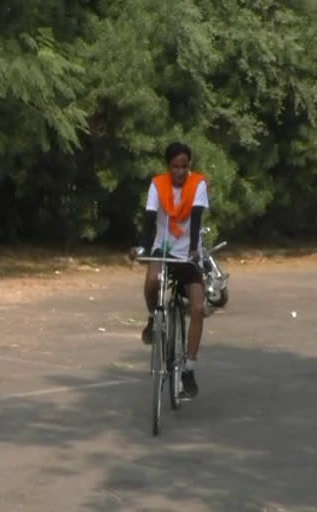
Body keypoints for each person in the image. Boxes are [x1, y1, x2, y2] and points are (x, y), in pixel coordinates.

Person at [129, 142, 209, 399]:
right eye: (175, 166)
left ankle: (189, 369)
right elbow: (150, 219)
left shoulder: (198, 185)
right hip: (163, 249)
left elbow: (195, 219)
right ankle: (154, 318)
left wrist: (195, 249)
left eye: (184, 166)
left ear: (189, 166)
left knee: (197, 308)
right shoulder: (157, 184)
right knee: (152, 281)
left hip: (188, 252)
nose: (180, 171)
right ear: (168, 166)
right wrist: (142, 247)